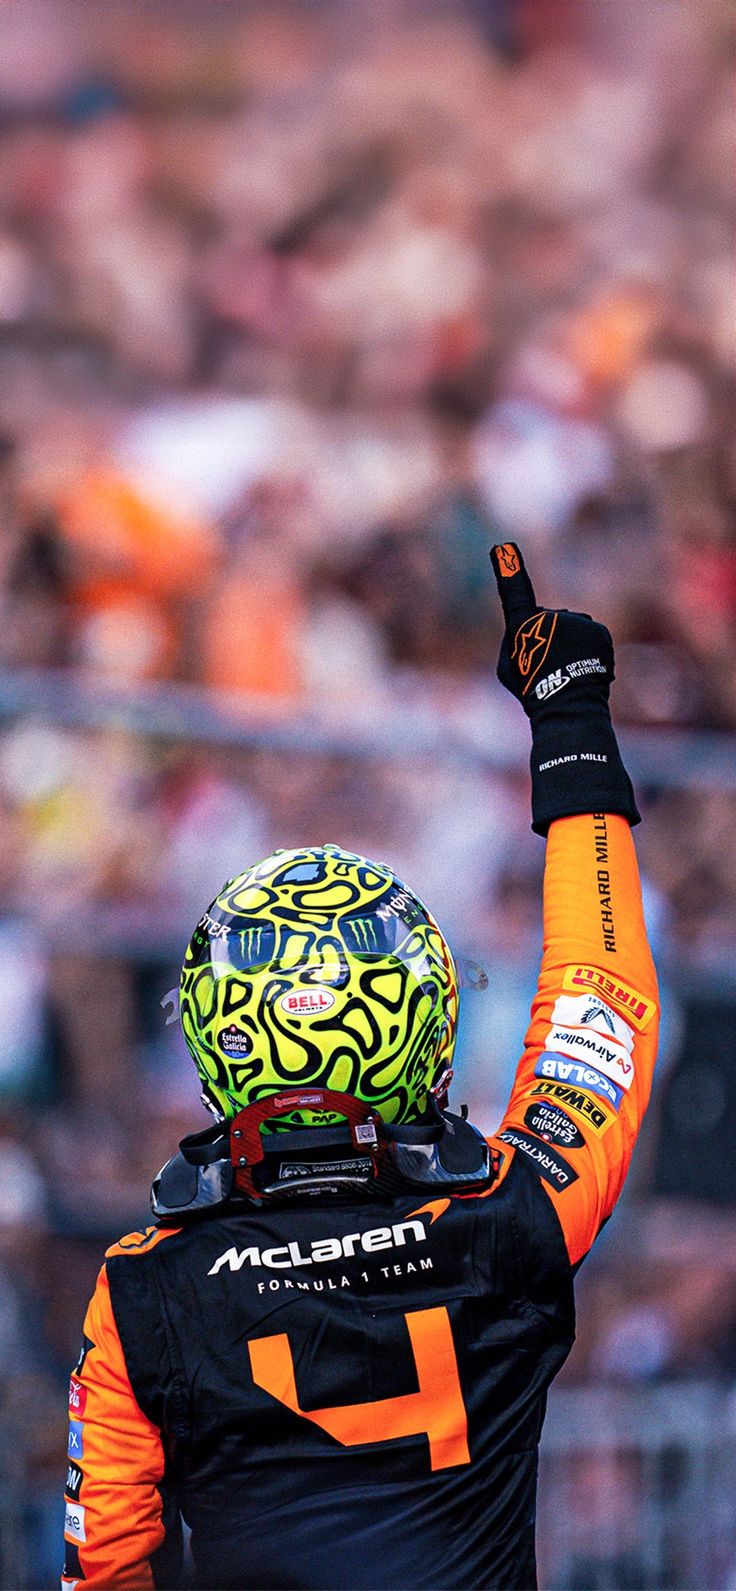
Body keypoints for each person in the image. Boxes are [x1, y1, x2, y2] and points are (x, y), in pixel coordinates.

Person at [61, 544, 659, 1591]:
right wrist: (569, 725)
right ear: (425, 1023)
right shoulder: (514, 1221)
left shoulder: (142, 1290)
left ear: (215, 1039)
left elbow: (105, 1572)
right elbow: (601, 999)